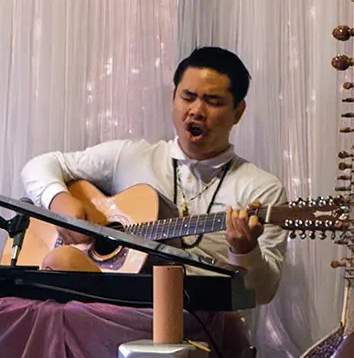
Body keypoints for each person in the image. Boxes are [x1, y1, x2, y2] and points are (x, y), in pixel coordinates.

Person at [20, 46, 285, 305]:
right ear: (173, 98)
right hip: (111, 305)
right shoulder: (129, 156)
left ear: (238, 111)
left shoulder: (260, 188)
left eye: (213, 102)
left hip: (202, 315)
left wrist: (245, 251)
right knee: (58, 264)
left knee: (60, 266)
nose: (196, 110)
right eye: (188, 97)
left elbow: (264, 293)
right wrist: (58, 201)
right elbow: (40, 165)